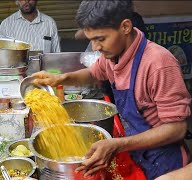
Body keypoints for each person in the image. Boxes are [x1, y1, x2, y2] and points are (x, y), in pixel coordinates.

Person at [32, 0, 191, 179]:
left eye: (100, 39)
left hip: (163, 164)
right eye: (91, 40)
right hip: (134, 152)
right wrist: (62, 78)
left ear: (125, 27)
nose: (95, 47)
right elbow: (94, 73)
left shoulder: (159, 64)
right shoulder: (113, 55)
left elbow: (177, 129)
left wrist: (118, 144)